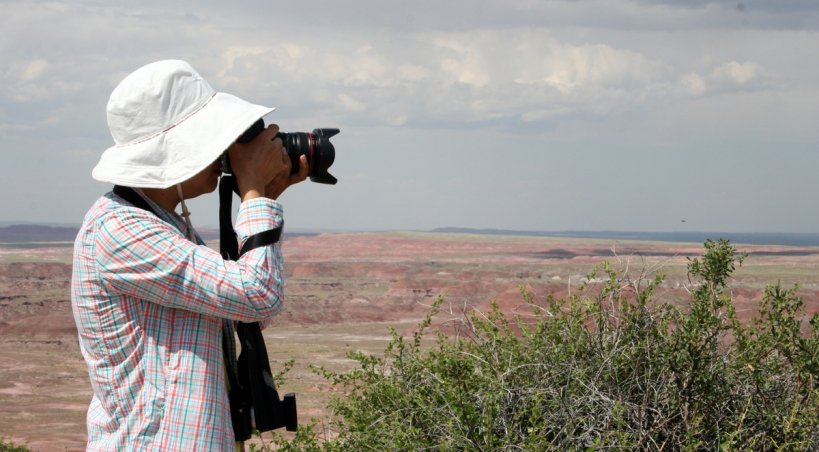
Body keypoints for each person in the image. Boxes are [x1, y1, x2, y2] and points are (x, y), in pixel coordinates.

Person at [71, 59, 308, 450]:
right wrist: (251, 192)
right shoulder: (121, 230)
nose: (224, 155)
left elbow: (247, 311)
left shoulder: (162, 224)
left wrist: (262, 195)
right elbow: (257, 295)